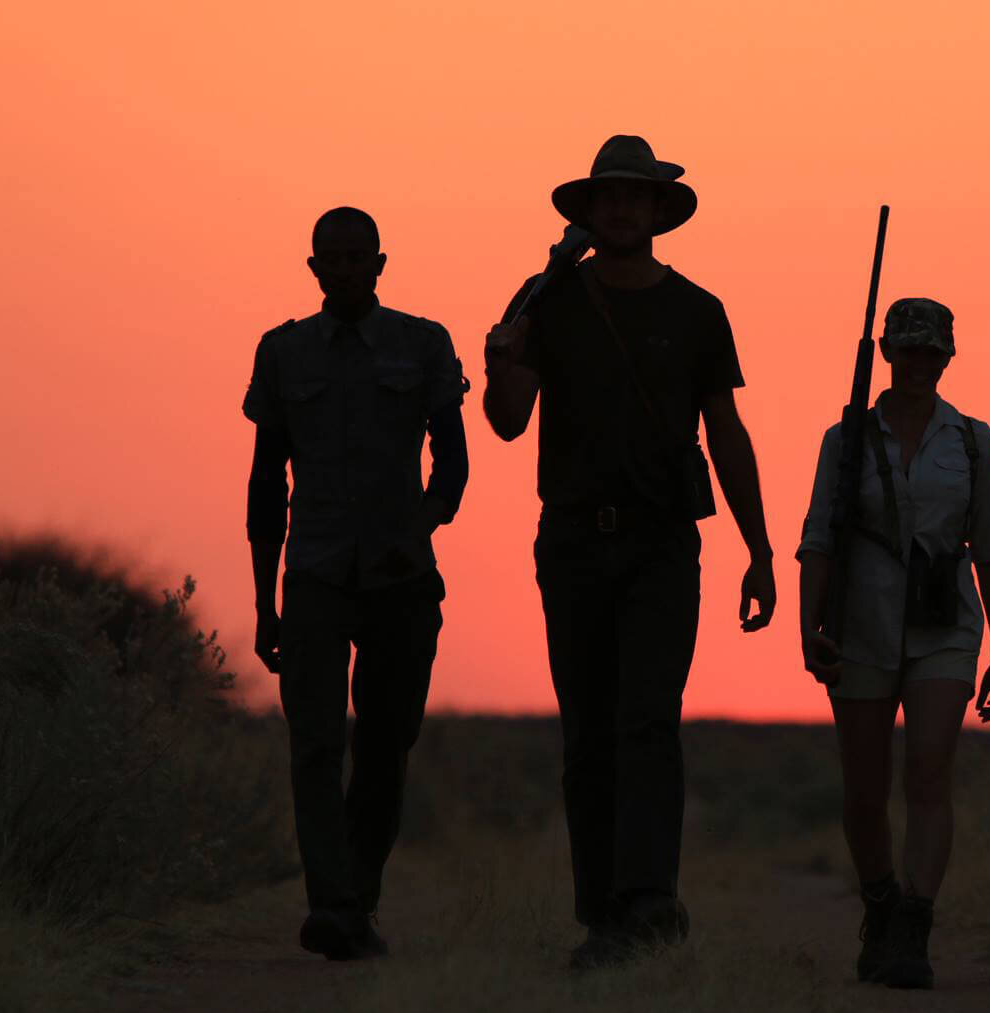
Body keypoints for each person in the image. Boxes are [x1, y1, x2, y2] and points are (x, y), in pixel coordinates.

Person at [482, 135, 776, 969]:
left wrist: (759, 550)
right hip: (572, 540)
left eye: (634, 196)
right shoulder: (547, 301)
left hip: (661, 545)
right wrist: (499, 358)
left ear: (656, 212)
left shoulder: (697, 311)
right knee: (589, 733)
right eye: (607, 195)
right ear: (589, 209)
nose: (619, 208)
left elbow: (726, 432)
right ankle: (602, 912)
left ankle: (648, 902)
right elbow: (507, 420)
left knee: (647, 723)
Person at [243, 206, 469, 960]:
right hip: (312, 574)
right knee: (312, 744)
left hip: (399, 578)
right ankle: (332, 904)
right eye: (328, 259)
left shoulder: (423, 343)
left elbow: (454, 462)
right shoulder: (282, 353)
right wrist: (261, 598)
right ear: (312, 267)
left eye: (355, 258)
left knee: (384, 743)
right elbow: (265, 480)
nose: (342, 270)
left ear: (379, 263)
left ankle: (356, 895)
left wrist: (423, 524)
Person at [797, 297, 990, 989]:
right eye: (907, 348)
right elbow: (817, 539)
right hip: (860, 625)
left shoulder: (973, 441)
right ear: (887, 353)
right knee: (864, 790)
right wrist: (810, 628)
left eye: (932, 350)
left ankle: (916, 922)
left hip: (944, 628)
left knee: (927, 770)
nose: (919, 361)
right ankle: (881, 903)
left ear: (948, 356)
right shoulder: (846, 439)